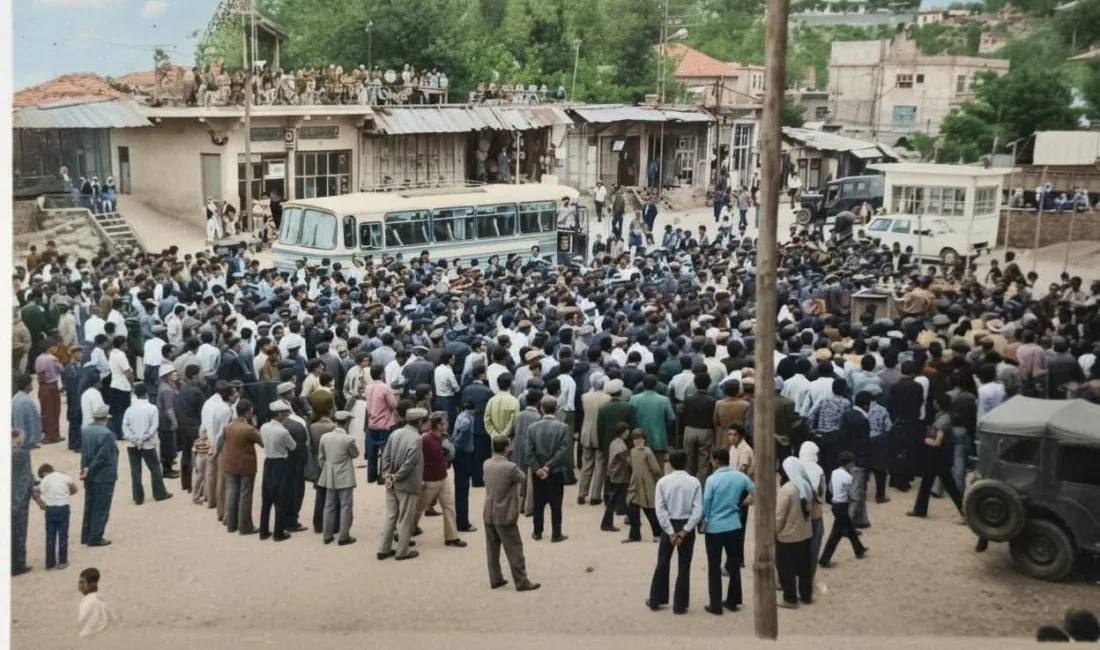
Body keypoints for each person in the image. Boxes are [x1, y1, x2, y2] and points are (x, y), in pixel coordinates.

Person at [646, 449, 702, 614]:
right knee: (684, 565)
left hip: (669, 523)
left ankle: (656, 599)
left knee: (662, 562)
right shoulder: (695, 482)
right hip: (687, 524)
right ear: (686, 462)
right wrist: (685, 531)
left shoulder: (663, 482)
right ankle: (680, 604)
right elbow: (697, 510)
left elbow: (660, 509)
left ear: (669, 463)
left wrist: (670, 532)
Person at [483, 434, 540, 591]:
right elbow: (522, 477)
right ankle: (521, 581)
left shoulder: (486, 464)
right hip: (505, 513)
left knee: (492, 549)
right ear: (506, 448)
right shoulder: (510, 467)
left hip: (489, 511)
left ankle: (495, 578)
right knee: (514, 548)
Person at [701, 447, 754, 615]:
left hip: (715, 528)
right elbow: (756, 490)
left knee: (714, 565)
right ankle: (733, 600)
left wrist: (703, 522)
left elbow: (706, 503)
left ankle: (715, 604)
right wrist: (746, 502)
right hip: (734, 525)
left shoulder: (712, 480)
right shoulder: (740, 477)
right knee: (734, 563)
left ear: (716, 461)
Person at [377, 406, 426, 561]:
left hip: (390, 481)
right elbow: (409, 463)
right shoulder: (416, 439)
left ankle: (384, 549)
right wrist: (397, 476)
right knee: (405, 518)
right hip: (407, 483)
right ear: (419, 422)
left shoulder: (395, 433)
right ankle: (402, 551)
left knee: (391, 516)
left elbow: (385, 456)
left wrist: (388, 475)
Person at [907, 393, 965, 519]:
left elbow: (940, 433)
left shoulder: (943, 418)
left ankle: (921, 510)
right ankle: (920, 510)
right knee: (937, 483)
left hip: (937, 455)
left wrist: (931, 441)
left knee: (941, 484)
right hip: (941, 455)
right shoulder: (946, 416)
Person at [412, 412, 465, 548]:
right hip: (430, 479)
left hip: (442, 476)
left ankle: (451, 537)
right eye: (445, 423)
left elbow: (449, 455)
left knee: (449, 507)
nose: (447, 425)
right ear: (439, 425)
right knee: (418, 508)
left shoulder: (441, 438)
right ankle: (407, 530)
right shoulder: (425, 439)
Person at [524, 395, 570, 542]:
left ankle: (537, 532)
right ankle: (556, 533)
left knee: (538, 503)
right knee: (556, 505)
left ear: (541, 408)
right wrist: (548, 467)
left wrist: (538, 468)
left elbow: (529, 452)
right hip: (555, 472)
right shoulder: (563, 427)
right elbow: (562, 451)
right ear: (555, 409)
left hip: (537, 473)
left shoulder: (532, 428)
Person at [121, 383, 172, 505]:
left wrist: (134, 438)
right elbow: (153, 426)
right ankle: (159, 493)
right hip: (148, 444)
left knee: (135, 470)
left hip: (132, 444)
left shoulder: (129, 409)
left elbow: (125, 427)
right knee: (154, 468)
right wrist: (142, 438)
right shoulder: (152, 408)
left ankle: (138, 497)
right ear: (146, 393)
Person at [818, 451, 868, 567]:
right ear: (848, 464)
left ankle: (859, 549)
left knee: (850, 529)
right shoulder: (848, 477)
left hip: (836, 504)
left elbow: (830, 487)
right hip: (842, 505)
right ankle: (824, 559)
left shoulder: (834, 472)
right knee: (835, 535)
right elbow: (852, 493)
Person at [318, 410, 360, 546]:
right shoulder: (348, 439)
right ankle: (343, 536)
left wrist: (328, 468)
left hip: (329, 473)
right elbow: (355, 454)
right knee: (346, 506)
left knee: (328, 505)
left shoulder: (325, 437)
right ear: (347, 422)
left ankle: (327, 535)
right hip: (344, 474)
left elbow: (321, 458)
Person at [776, 456, 813, 608]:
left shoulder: (787, 490)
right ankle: (806, 595)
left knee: (785, 568)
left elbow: (779, 516)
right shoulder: (805, 485)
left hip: (788, 535)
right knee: (804, 567)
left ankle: (790, 599)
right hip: (805, 533)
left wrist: (774, 531)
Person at [222, 399, 263, 535]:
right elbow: (262, 442)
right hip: (246, 466)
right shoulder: (248, 429)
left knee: (233, 492)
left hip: (230, 463)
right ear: (247, 412)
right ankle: (245, 526)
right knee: (245, 495)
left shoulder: (228, 426)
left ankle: (231, 524)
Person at [80, 405, 119, 547]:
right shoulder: (107, 434)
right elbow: (103, 456)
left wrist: (85, 470)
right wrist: (90, 468)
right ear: (105, 419)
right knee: (101, 507)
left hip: (88, 474)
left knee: (89, 504)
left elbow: (84, 454)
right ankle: (95, 536)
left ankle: (86, 534)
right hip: (104, 475)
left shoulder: (85, 431)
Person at [258, 401, 297, 542]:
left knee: (266, 499)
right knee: (281, 499)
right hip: (281, 464)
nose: (286, 415)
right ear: (279, 414)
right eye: (285, 413)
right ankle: (278, 532)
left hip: (268, 462)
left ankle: (263, 531)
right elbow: (293, 447)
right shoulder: (283, 431)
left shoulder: (263, 427)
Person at [12, 429, 44, 576]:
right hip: (18, 500)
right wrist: (37, 497)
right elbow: (27, 478)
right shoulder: (21, 454)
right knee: (19, 532)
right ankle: (18, 564)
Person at [38, 462, 77, 570]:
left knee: (50, 536)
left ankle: (50, 562)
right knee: (63, 535)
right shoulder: (64, 477)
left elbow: (38, 493)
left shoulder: (44, 481)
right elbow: (75, 489)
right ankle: (63, 561)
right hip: (63, 507)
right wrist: (65, 495)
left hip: (50, 509)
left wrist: (42, 504)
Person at [602, 423, 631, 532]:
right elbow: (628, 462)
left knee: (618, 499)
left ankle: (630, 517)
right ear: (623, 432)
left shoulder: (614, 443)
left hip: (613, 475)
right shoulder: (622, 447)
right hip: (620, 476)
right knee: (615, 500)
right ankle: (607, 523)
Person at [78, 567, 116, 638]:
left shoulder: (89, 602)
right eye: (80, 582)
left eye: (83, 582)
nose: (80, 586)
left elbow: (83, 622)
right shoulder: (98, 598)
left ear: (92, 584)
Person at [12, 374, 43, 449]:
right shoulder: (27, 402)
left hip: (15, 439)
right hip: (25, 440)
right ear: (27, 385)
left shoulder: (14, 399)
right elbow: (31, 422)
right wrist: (33, 439)